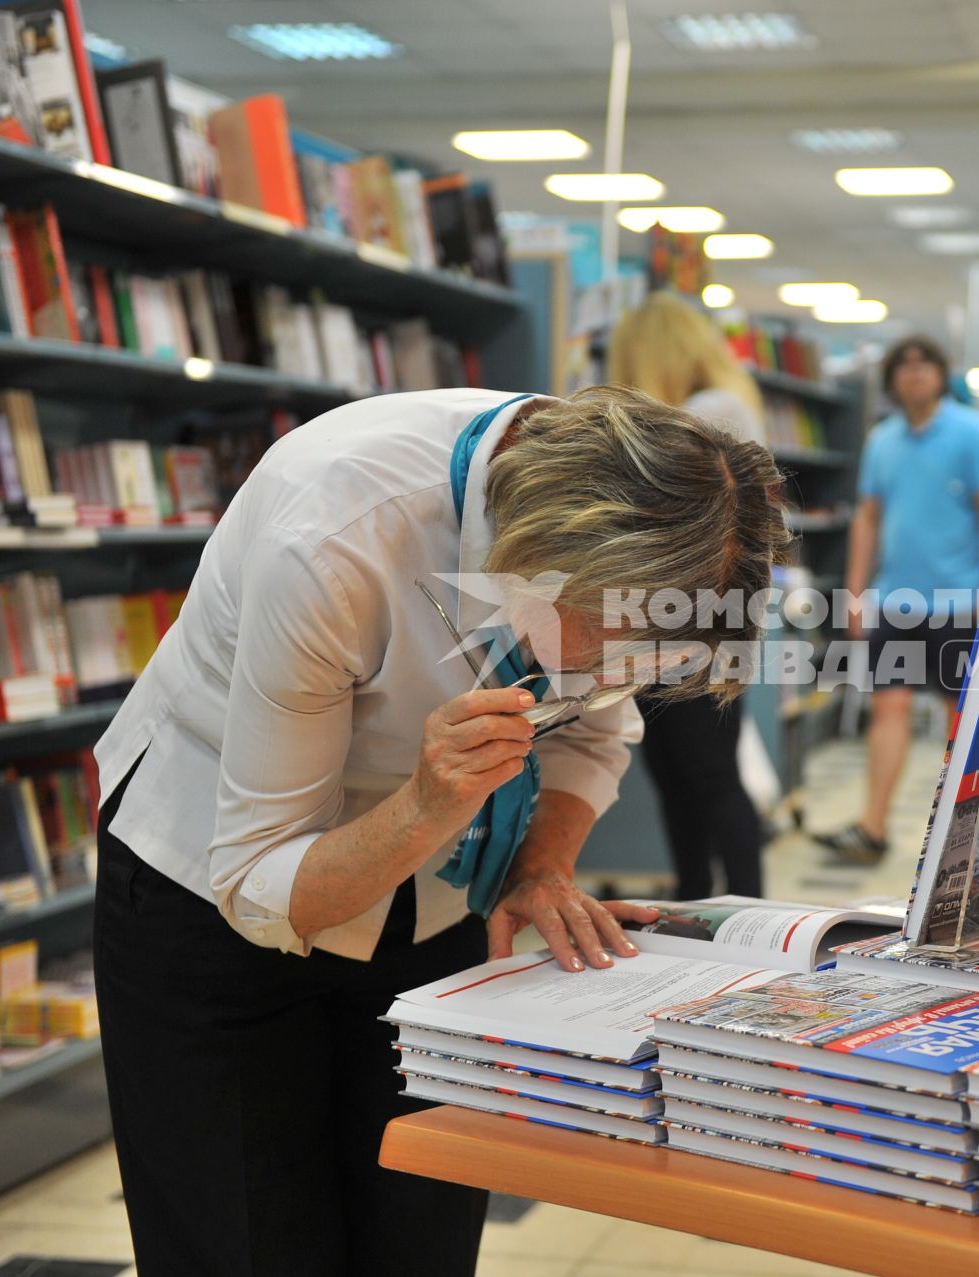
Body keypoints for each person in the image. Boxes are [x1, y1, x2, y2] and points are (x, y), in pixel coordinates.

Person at [92, 385, 788, 1276]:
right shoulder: (337, 529)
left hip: (439, 882)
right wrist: (425, 807)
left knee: (419, 1227)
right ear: (542, 555)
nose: (615, 671)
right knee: (246, 1237)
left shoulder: (638, 544)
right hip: (216, 882)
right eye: (607, 639)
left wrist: (540, 867)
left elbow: (597, 734)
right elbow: (263, 882)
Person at [816, 335, 979, 865]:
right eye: (904, 365)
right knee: (889, 709)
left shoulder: (972, 434)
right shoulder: (882, 440)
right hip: (897, 604)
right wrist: (855, 591)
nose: (915, 373)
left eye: (926, 364)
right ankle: (872, 828)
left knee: (966, 721)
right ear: (893, 379)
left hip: (961, 604)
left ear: (942, 375)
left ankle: (971, 836)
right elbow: (869, 517)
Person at [608, 292, 769, 899]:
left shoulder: (709, 410)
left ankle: (749, 908)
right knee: (676, 774)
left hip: (693, 619)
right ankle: (697, 901)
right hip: (678, 615)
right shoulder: (721, 405)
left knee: (708, 773)